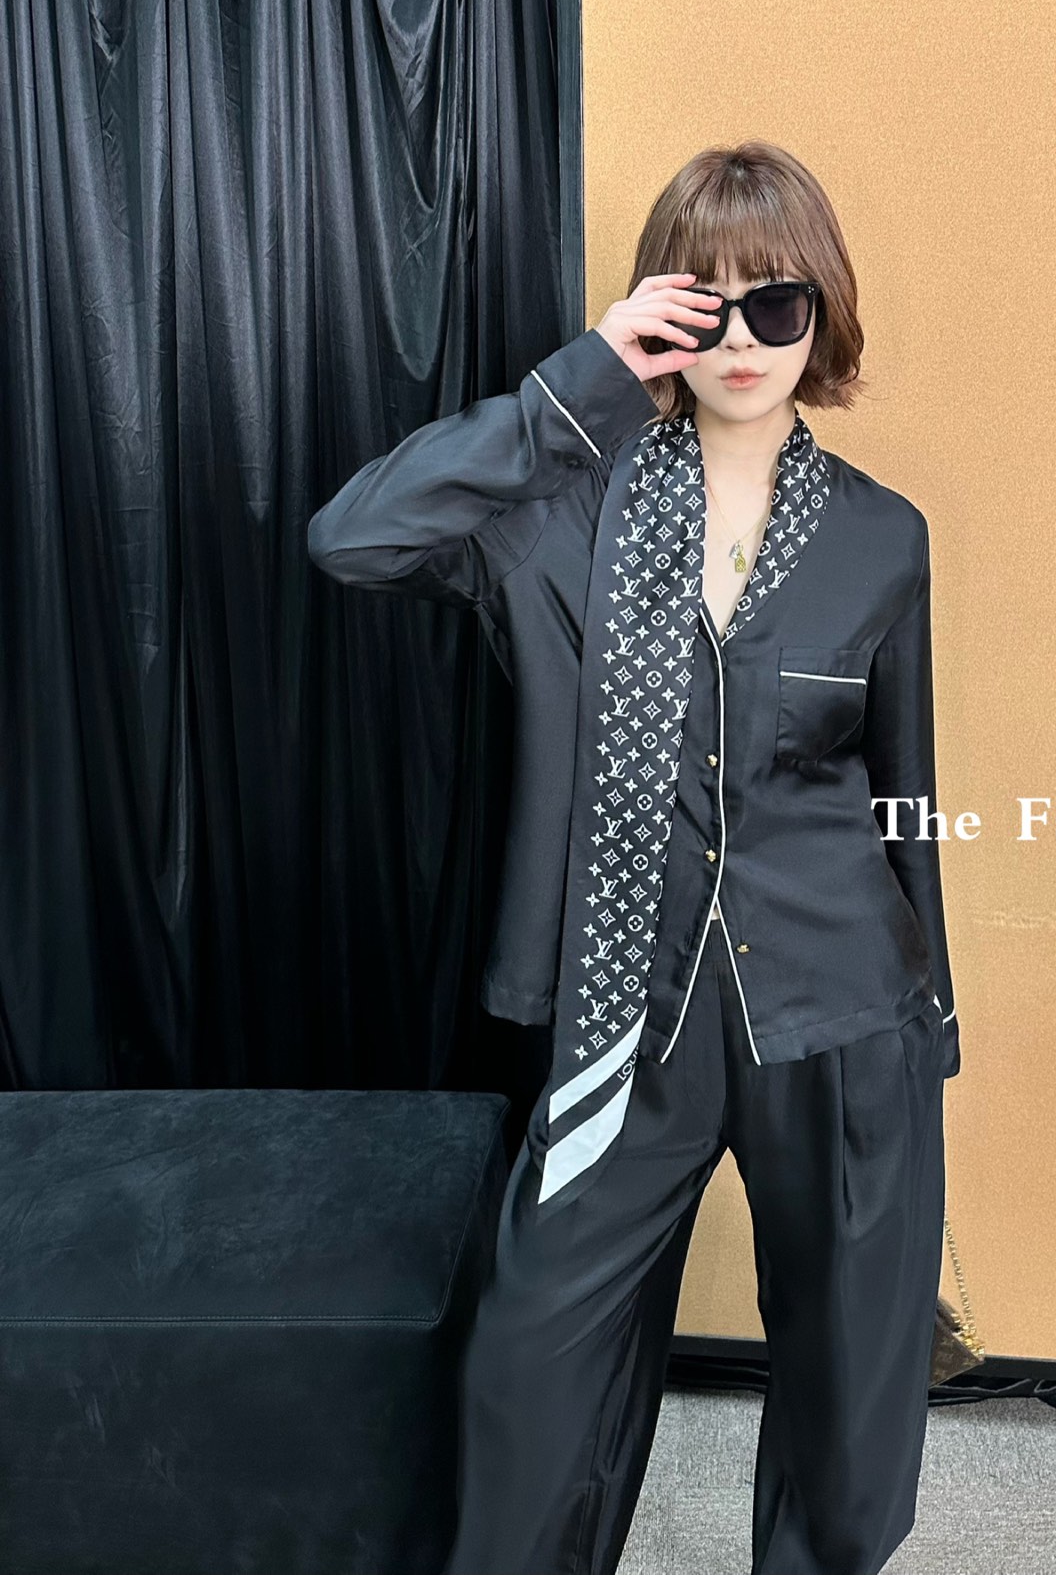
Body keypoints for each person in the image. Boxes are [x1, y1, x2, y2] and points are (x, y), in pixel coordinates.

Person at [307, 140, 961, 1575]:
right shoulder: (558, 516)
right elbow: (354, 536)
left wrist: (935, 1019)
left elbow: (904, 795)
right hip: (625, 1024)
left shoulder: (883, 539)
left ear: (824, 313)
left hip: (844, 1018)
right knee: (528, 1374)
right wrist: (587, 380)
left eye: (776, 302)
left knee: (851, 1410)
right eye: (705, 302)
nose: (742, 339)